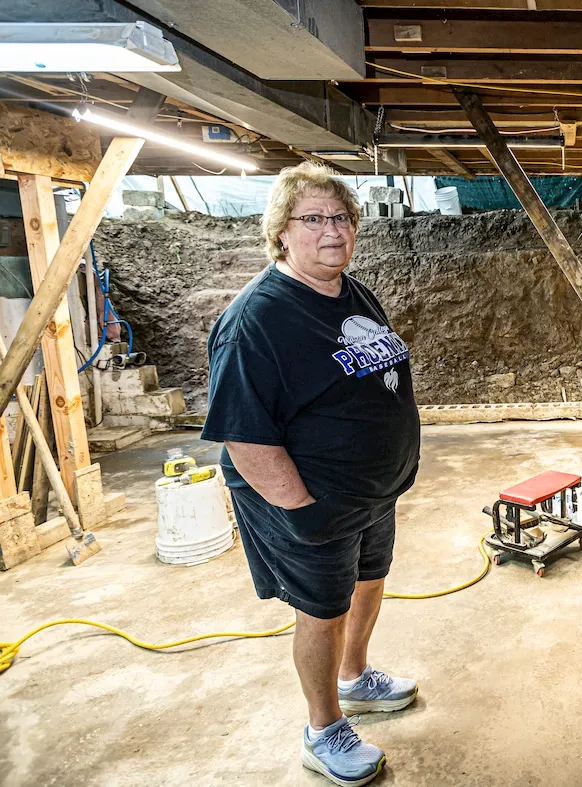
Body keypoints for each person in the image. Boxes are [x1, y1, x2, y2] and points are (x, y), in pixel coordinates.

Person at [202, 162, 420, 787]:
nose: (333, 231)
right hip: (313, 504)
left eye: (343, 218)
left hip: (372, 495)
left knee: (369, 581)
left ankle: (353, 679)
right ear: (281, 231)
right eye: (315, 219)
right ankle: (323, 729)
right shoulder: (257, 320)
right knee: (322, 608)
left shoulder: (347, 289)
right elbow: (244, 435)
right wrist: (300, 509)